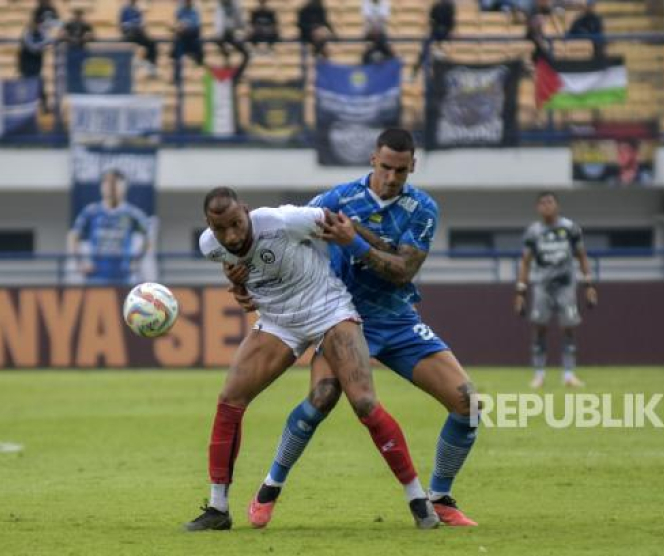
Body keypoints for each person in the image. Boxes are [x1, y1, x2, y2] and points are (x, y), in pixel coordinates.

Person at [226, 129, 479, 528]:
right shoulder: (338, 199)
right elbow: (283, 236)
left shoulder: (422, 208)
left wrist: (355, 240)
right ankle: (269, 487)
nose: (392, 177)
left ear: (412, 165)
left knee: (468, 404)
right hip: (342, 319)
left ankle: (440, 497)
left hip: (397, 319)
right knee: (321, 399)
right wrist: (246, 282)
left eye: (400, 170)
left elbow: (403, 271)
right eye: (385, 167)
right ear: (372, 160)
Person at [185, 187, 439, 531]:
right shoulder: (209, 246)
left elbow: (336, 222)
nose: (231, 235)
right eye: (221, 229)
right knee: (230, 400)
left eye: (236, 224)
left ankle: (418, 499)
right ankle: (218, 509)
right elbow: (242, 271)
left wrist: (380, 247)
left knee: (363, 402)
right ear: (209, 226)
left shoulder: (282, 221)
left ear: (246, 211)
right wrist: (240, 288)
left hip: (328, 311)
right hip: (279, 322)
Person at [514, 192, 597, 389]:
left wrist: (589, 284)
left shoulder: (570, 228)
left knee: (568, 327)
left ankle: (569, 374)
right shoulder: (533, 232)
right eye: (542, 203)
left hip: (566, 284)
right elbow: (525, 262)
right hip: (543, 285)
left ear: (557, 206)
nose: (547, 206)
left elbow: (582, 256)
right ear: (537, 208)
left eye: (550, 202)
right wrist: (520, 291)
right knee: (539, 327)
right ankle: (539, 375)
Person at [67, 169, 151, 285]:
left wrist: (136, 262)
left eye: (116, 183)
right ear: (102, 187)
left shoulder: (132, 213)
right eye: (107, 183)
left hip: (123, 277)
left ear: (124, 187)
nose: (112, 187)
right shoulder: (91, 212)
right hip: (96, 277)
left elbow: (148, 236)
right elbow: (73, 236)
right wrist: (80, 263)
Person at [17, 13, 52, 112]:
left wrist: (43, 43)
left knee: (40, 86)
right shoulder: (27, 33)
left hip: (37, 65)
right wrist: (43, 45)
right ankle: (24, 108)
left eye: (40, 24)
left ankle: (44, 108)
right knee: (26, 87)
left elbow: (49, 40)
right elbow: (33, 48)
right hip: (26, 65)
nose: (38, 26)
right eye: (37, 24)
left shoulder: (41, 32)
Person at [412, 0, 455, 78]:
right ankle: (417, 68)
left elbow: (451, 21)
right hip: (436, 32)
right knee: (425, 48)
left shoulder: (449, 7)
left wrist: (448, 31)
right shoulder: (437, 6)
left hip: (444, 32)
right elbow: (432, 19)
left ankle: (418, 68)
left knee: (431, 48)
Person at [215, 0, 250, 83]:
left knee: (246, 54)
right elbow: (219, 21)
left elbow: (239, 19)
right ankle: (227, 68)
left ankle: (236, 75)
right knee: (224, 49)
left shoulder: (235, 4)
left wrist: (244, 29)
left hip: (232, 34)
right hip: (224, 35)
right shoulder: (221, 5)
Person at [120, 0, 158, 76]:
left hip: (139, 33)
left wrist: (140, 26)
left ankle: (151, 66)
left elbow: (142, 22)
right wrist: (132, 25)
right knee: (126, 41)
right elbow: (122, 24)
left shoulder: (138, 9)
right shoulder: (125, 9)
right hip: (129, 34)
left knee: (151, 43)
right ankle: (125, 67)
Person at [172, 0, 204, 82]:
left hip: (193, 39)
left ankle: (199, 67)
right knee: (177, 51)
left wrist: (188, 27)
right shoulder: (179, 11)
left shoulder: (195, 11)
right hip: (182, 39)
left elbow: (198, 27)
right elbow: (174, 25)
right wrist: (179, 27)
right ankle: (177, 77)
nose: (188, 2)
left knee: (199, 45)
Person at [362, 0, 395, 64]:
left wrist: (377, 28)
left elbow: (383, 18)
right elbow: (368, 19)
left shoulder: (385, 2)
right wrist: (373, 29)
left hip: (381, 31)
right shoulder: (366, 2)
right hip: (370, 31)